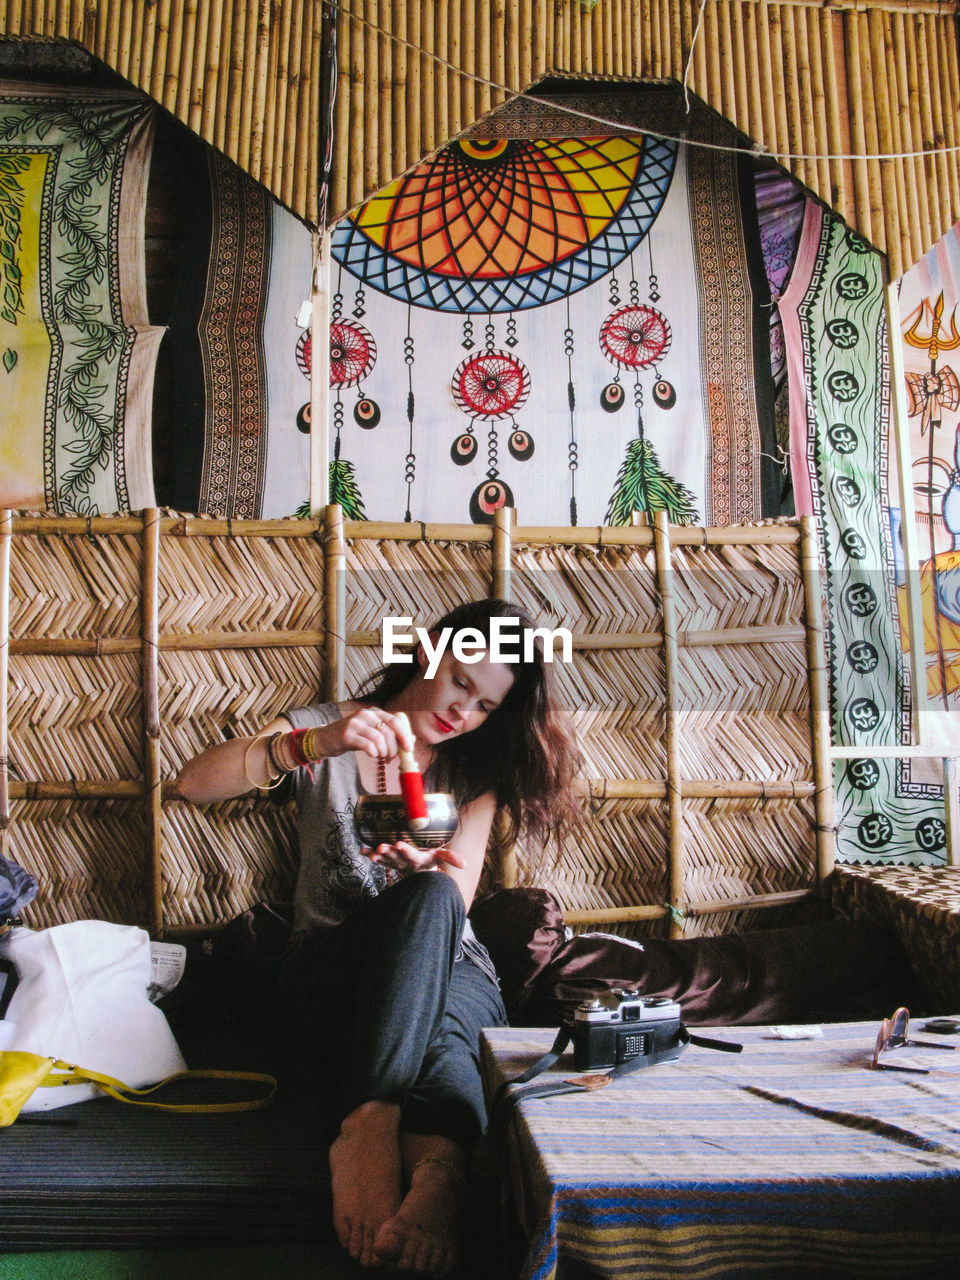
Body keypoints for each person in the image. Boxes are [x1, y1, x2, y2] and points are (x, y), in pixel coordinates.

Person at [174, 598, 581, 1276]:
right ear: (428, 651)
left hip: (452, 970)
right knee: (429, 941)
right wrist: (312, 744)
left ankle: (437, 1176)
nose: (463, 712)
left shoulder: (472, 774)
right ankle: (372, 1127)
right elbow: (192, 783)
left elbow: (455, 892)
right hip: (332, 972)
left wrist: (426, 866)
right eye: (459, 682)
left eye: (484, 705)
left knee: (441, 950)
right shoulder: (330, 728)